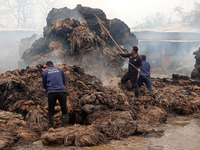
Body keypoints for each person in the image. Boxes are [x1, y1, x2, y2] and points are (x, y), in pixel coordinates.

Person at [42, 61, 68, 128]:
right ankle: (64, 125)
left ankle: (51, 126)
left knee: (51, 109)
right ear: (53, 64)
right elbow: (63, 80)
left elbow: (44, 84)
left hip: (51, 92)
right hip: (62, 91)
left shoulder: (45, 72)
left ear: (47, 66)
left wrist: (48, 90)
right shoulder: (60, 70)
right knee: (64, 108)